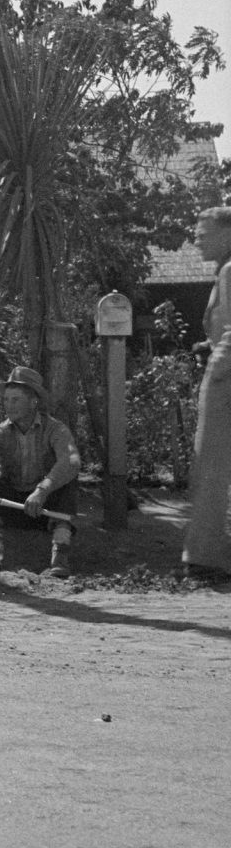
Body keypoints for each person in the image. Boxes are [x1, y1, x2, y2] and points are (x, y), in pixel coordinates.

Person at [0, 366, 81, 577]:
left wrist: (43, 490)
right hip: (12, 506)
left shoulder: (56, 429)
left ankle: (60, 554)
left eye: (15, 400)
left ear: (34, 402)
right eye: (6, 399)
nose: (8, 405)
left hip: (45, 509)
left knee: (69, 481)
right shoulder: (0, 431)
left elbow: (72, 461)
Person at [181, 206, 231, 580]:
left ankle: (206, 557)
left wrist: (216, 368)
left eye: (205, 231)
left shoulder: (230, 271)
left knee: (211, 466)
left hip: (224, 381)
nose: (197, 237)